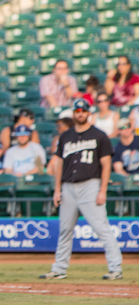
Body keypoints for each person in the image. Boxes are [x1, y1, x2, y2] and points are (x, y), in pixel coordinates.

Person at [40, 99, 123, 280]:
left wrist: (102, 190)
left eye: (83, 111)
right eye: (77, 111)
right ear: (74, 113)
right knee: (65, 230)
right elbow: (60, 164)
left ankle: (115, 268)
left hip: (90, 185)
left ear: (88, 113)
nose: (80, 114)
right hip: (68, 187)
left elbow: (106, 165)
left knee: (102, 228)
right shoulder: (66, 136)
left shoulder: (99, 135)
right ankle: (59, 268)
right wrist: (57, 189)